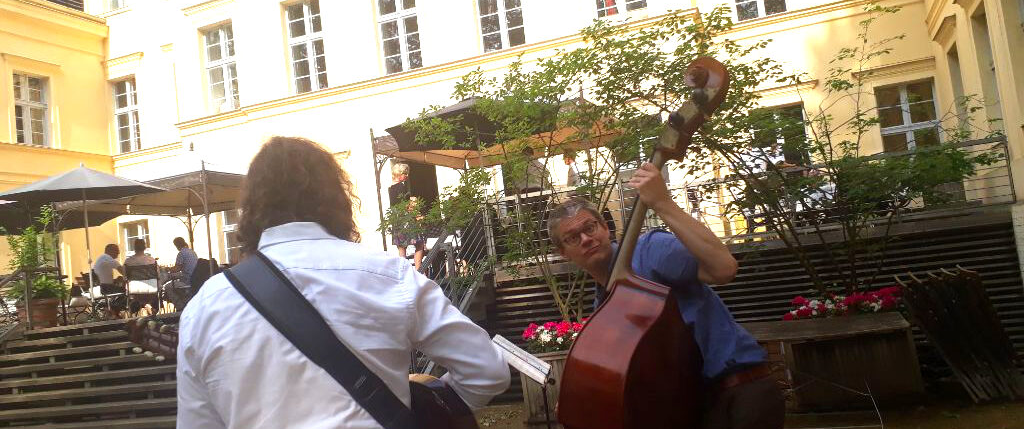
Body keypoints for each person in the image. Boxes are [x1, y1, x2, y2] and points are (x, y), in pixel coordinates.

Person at [177, 137, 509, 428]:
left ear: (250, 210)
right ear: (335, 200)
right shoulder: (388, 275)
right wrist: (429, 411)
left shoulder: (204, 307)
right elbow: (487, 370)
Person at [547, 162, 785, 429]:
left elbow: (723, 268)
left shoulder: (650, 249)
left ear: (605, 227)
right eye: (572, 238)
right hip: (695, 409)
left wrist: (662, 202)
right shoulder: (604, 303)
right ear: (562, 253)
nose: (586, 239)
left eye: (589, 228)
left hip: (739, 395)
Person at [388, 162, 425, 270]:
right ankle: (419, 271)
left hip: (397, 220)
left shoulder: (391, 188)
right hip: (407, 220)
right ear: (399, 174)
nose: (407, 175)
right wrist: (415, 208)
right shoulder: (402, 187)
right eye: (405, 173)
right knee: (419, 244)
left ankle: (405, 272)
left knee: (401, 248)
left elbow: (395, 206)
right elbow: (407, 207)